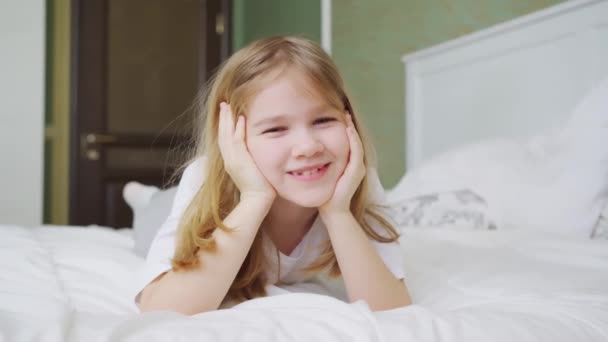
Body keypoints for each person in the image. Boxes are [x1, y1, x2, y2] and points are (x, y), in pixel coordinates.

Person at [134, 35, 411, 315]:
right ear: (232, 137)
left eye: (323, 120)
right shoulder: (203, 178)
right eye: (275, 129)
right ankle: (142, 197)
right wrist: (254, 198)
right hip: (170, 213)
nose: (308, 147)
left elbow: (394, 311)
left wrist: (338, 212)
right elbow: (160, 309)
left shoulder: (356, 180)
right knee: (151, 215)